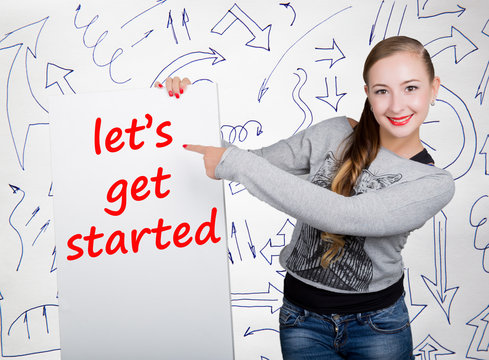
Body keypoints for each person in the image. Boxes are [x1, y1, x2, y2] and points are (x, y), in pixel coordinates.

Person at [156, 36, 455, 359]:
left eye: (410, 88)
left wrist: (233, 161)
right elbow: (253, 162)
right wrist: (186, 113)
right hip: (302, 322)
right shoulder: (334, 133)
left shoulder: (433, 183)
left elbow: (346, 216)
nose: (397, 105)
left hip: (376, 327)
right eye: (382, 90)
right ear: (368, 94)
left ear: (434, 88)